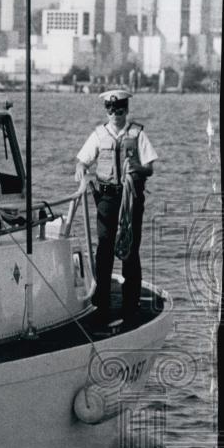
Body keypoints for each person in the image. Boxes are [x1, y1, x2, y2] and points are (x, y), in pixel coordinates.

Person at [75, 89, 157, 320]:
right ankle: (101, 302)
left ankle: (131, 304)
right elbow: (82, 161)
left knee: (130, 250)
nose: (115, 113)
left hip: (131, 199)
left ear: (126, 110)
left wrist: (136, 169)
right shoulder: (99, 135)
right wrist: (81, 170)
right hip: (107, 198)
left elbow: (149, 167)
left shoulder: (138, 134)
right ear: (106, 111)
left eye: (119, 109)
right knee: (104, 248)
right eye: (110, 109)